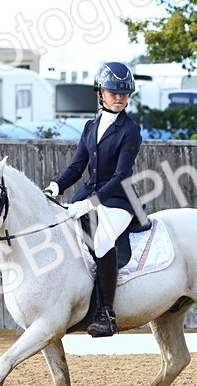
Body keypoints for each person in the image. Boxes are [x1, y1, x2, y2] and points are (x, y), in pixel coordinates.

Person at [45, 62, 143, 338]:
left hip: (120, 201)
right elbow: (77, 167)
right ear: (100, 93)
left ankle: (106, 313)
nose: (120, 98)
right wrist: (55, 186)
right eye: (114, 93)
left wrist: (91, 204)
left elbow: (122, 175)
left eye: (125, 94)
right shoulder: (90, 126)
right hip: (88, 195)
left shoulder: (130, 130)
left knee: (101, 241)